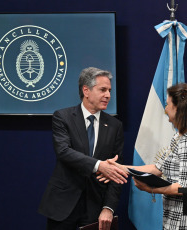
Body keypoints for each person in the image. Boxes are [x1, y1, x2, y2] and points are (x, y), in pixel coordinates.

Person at [103, 83, 187, 229]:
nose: (165, 110)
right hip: (171, 218)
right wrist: (119, 167)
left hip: (183, 221)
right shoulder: (179, 136)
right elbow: (157, 168)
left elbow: (184, 187)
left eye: (167, 104)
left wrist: (150, 189)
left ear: (178, 108)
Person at [38, 67, 128, 230]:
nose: (108, 95)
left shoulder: (115, 126)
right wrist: (99, 166)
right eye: (103, 90)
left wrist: (108, 208)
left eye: (109, 90)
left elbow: (117, 171)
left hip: (96, 209)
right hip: (63, 207)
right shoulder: (63, 117)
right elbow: (63, 152)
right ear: (86, 90)